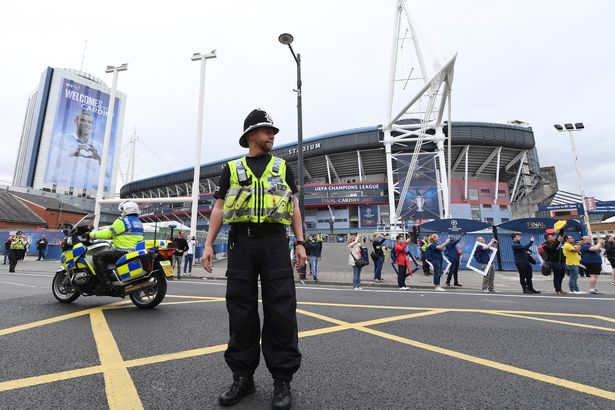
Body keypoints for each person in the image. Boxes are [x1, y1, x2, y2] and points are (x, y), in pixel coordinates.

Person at [201, 109, 305, 410]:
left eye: (272, 130)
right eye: (266, 130)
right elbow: (219, 209)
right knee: (241, 312)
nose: (272, 135)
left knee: (281, 311)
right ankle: (243, 378)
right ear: (250, 135)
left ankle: (282, 380)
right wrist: (208, 244)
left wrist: (299, 243)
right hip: (241, 243)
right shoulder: (231, 168)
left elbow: (294, 207)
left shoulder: (282, 167)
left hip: (274, 241)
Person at [89, 201, 144, 287]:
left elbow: (108, 233)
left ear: (125, 210)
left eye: (122, 210)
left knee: (97, 256)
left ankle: (106, 283)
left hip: (123, 252)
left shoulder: (122, 221)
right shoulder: (139, 223)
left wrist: (91, 235)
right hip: (134, 252)